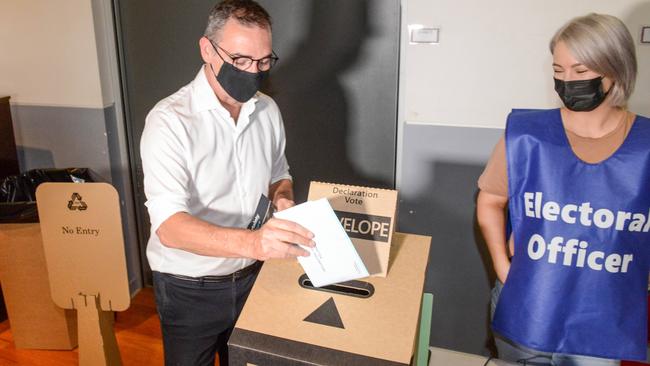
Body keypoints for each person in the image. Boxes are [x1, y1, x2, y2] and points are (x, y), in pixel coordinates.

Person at [140, 1, 315, 365]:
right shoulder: (169, 121)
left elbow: (279, 175)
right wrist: (255, 242)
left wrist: (282, 200)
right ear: (207, 49)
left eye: (264, 61)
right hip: (190, 288)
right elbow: (170, 228)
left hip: (254, 279)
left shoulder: (267, 109)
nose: (253, 72)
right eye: (240, 61)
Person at [477, 13, 649, 366]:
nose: (567, 81)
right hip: (530, 299)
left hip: (602, 313)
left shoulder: (645, 146)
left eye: (581, 71)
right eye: (559, 70)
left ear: (615, 69)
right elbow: (490, 201)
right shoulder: (527, 135)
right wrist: (502, 267)